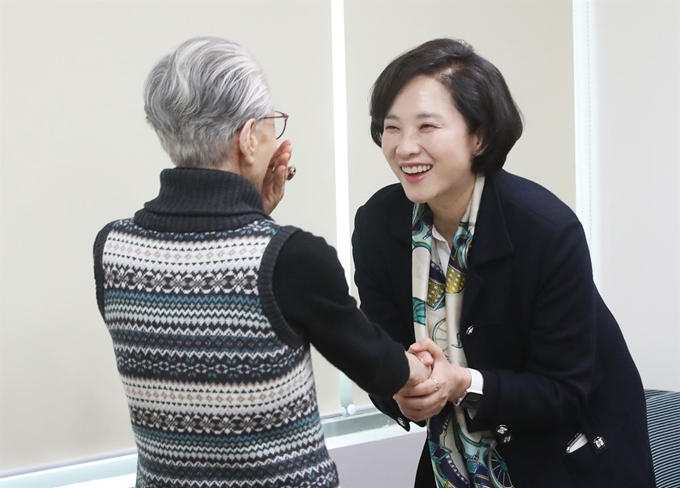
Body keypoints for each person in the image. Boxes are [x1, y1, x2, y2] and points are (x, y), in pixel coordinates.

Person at [92, 36, 434, 488]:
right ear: (248, 139)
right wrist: (426, 367)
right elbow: (380, 368)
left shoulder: (112, 246)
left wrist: (254, 214)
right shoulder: (290, 258)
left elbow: (199, 322)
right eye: (271, 122)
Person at [351, 38, 655, 488]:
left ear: (480, 136)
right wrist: (399, 390)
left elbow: (564, 390)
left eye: (427, 127)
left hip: (569, 460)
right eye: (392, 128)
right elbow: (379, 352)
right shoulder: (378, 225)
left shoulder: (546, 230)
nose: (404, 147)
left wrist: (464, 382)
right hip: (452, 464)